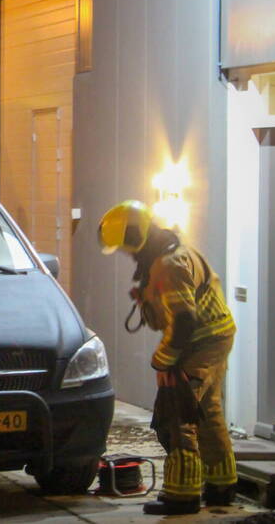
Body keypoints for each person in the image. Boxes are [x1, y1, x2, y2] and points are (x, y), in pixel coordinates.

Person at [99, 200, 237, 515]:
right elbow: (169, 317)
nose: (127, 252)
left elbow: (184, 321)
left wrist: (164, 361)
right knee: (207, 411)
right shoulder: (173, 254)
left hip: (198, 344)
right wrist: (146, 299)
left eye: (127, 245)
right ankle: (222, 485)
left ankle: (182, 495)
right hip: (214, 339)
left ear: (138, 235)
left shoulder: (169, 264)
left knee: (179, 414)